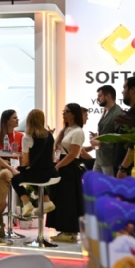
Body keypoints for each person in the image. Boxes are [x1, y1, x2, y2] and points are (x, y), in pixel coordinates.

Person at [46, 103, 86, 243]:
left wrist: (58, 166)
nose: (63, 113)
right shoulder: (67, 130)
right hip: (63, 166)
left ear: (73, 114)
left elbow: (73, 154)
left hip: (69, 168)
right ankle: (66, 230)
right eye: (63, 111)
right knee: (63, 199)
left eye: (66, 111)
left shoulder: (78, 132)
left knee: (69, 200)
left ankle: (69, 231)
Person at [11, 109, 57, 217]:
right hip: (52, 173)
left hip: (37, 174)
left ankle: (27, 203)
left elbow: (26, 161)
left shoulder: (27, 137)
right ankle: (47, 201)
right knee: (33, 177)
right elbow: (53, 157)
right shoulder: (50, 136)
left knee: (15, 179)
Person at [85, 85, 124, 177]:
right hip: (100, 157)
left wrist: (100, 142)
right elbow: (108, 131)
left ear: (108, 96)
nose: (97, 99)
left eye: (100, 96)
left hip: (109, 160)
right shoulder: (106, 110)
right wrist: (98, 136)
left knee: (108, 185)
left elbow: (119, 138)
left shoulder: (117, 113)